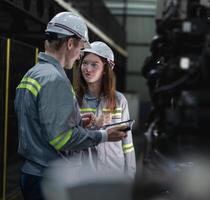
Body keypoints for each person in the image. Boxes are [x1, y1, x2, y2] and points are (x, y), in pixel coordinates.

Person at [14, 12, 127, 200]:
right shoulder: (56, 80)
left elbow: (41, 123)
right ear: (69, 43)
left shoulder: (33, 74)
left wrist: (77, 122)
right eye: (80, 49)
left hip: (32, 172)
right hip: (47, 176)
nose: (78, 58)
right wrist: (104, 135)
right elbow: (62, 139)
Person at [76, 41, 136, 178]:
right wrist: (93, 126)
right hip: (85, 176)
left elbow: (127, 145)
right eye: (85, 63)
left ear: (105, 69)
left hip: (115, 175)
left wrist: (130, 176)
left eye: (94, 64)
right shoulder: (75, 101)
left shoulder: (119, 101)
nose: (87, 69)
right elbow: (71, 140)